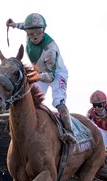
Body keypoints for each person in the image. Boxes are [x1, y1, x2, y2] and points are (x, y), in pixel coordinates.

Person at [6, 13, 76, 144]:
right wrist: (13, 24)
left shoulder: (50, 49)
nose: (34, 36)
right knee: (31, 99)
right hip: (41, 71)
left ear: (44, 31)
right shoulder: (30, 31)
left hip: (56, 74)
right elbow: (24, 26)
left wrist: (36, 76)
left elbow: (50, 76)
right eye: (30, 33)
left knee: (58, 102)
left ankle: (69, 131)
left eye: (37, 32)